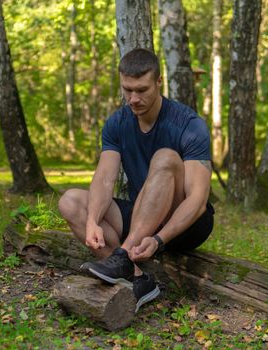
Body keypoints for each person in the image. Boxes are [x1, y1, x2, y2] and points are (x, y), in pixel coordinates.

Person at [58, 48, 214, 312]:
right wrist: (93, 221)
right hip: (144, 214)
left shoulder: (188, 124)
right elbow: (105, 179)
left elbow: (198, 202)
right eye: (127, 90)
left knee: (165, 157)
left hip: (187, 222)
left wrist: (159, 240)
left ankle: (122, 256)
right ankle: (139, 279)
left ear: (159, 82)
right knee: (70, 202)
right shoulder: (117, 123)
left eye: (141, 90)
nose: (133, 98)